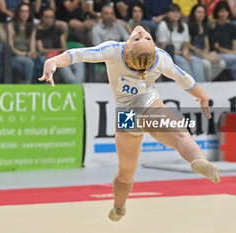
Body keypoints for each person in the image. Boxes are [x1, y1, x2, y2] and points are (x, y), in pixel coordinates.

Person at [38, 25, 221, 221]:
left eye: (143, 38)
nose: (142, 32)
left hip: (125, 115)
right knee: (180, 136)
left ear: (127, 49)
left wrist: (53, 60)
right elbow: (184, 79)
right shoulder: (160, 57)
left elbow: (79, 54)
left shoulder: (115, 50)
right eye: (141, 37)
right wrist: (202, 95)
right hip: (148, 104)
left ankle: (119, 207)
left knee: (126, 172)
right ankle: (197, 159)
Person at [156, 3, 205, 82]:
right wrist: (179, 53)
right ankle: (190, 86)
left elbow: (185, 44)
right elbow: (163, 47)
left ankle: (201, 85)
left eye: (177, 12)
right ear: (167, 14)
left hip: (181, 53)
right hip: (168, 54)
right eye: (173, 12)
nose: (176, 14)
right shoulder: (163, 25)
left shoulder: (184, 25)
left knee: (196, 61)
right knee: (183, 62)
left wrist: (185, 54)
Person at [37, 8, 84, 83]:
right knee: (63, 65)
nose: (49, 19)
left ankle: (78, 83)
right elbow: (41, 49)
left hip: (59, 55)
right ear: (42, 18)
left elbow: (64, 48)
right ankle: (75, 85)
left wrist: (60, 52)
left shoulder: (58, 30)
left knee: (78, 62)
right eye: (46, 17)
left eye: (51, 17)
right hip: (46, 57)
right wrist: (58, 51)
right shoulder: (38, 31)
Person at [188, 3, 226, 81]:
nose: (201, 14)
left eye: (203, 12)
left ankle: (206, 80)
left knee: (222, 63)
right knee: (207, 64)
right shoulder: (189, 26)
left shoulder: (205, 26)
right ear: (194, 13)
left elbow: (206, 43)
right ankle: (208, 84)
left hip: (203, 53)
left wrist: (206, 50)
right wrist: (198, 51)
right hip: (193, 53)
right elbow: (188, 44)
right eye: (198, 12)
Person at [8, 2, 36, 83]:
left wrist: (31, 53)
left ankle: (47, 87)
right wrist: (26, 55)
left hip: (27, 55)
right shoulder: (11, 25)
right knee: (29, 63)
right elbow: (11, 48)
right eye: (22, 11)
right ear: (18, 13)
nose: (25, 14)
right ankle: (26, 87)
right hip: (14, 57)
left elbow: (32, 46)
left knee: (44, 60)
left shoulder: (32, 27)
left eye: (27, 11)